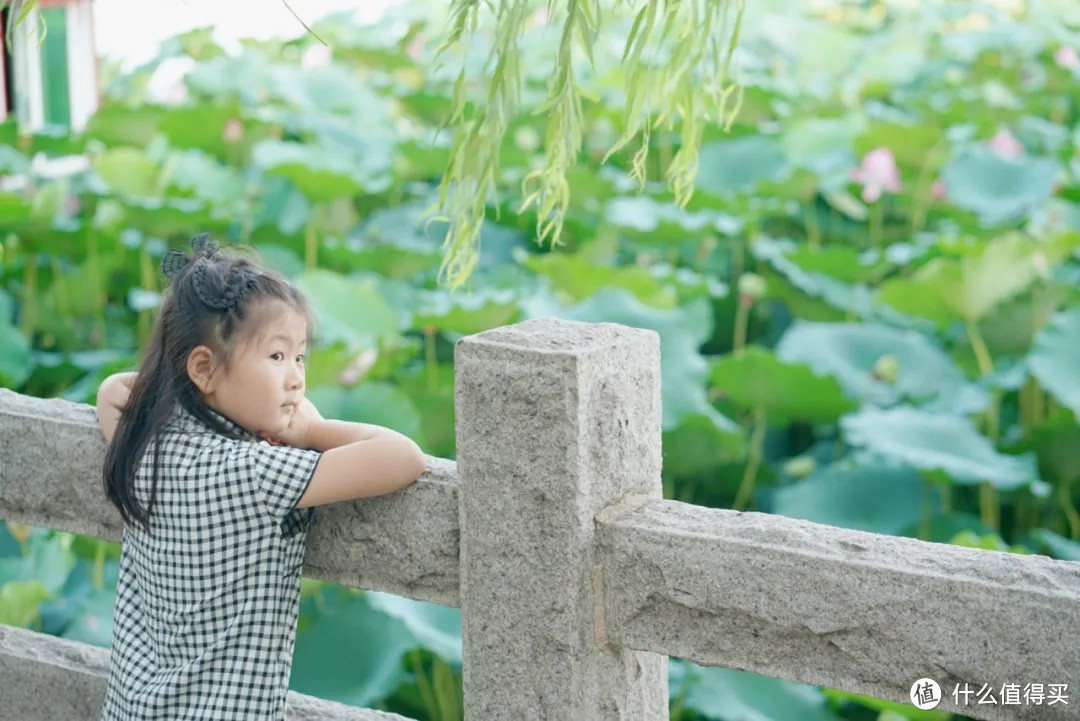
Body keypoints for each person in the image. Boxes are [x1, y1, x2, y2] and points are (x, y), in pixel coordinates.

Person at [93, 233, 427, 720]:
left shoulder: (145, 443)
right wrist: (312, 428)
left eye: (300, 357)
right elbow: (403, 457)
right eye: (276, 357)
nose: (296, 378)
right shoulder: (255, 471)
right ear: (203, 369)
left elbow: (113, 387)